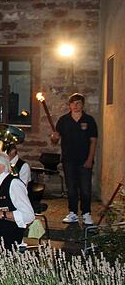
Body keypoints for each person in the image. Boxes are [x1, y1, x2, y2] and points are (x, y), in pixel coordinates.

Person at [51, 93, 98, 226]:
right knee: (71, 188)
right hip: (68, 160)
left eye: (78, 103)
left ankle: (86, 213)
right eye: (73, 103)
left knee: (85, 188)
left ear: (83, 105)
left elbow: (93, 141)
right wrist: (53, 137)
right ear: (69, 105)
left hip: (84, 160)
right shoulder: (63, 120)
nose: (76, 106)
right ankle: (72, 213)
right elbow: (55, 140)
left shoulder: (89, 120)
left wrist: (90, 159)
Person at [0, 152, 35, 248]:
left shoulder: (14, 184)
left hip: (8, 241)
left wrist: (1, 214)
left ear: (1, 167)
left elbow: (29, 216)